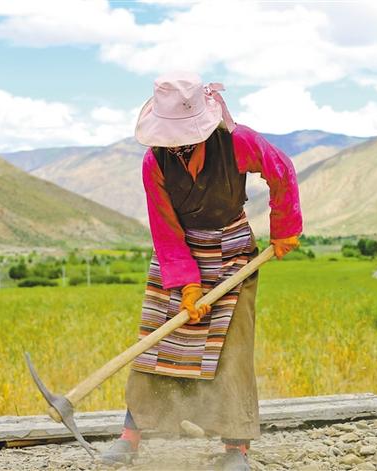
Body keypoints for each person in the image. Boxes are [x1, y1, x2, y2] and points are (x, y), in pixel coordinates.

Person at [101, 72, 302, 470]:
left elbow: (282, 171)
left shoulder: (238, 142)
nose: (176, 145)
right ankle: (131, 436)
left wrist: (284, 228)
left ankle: (236, 448)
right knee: (158, 341)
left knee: (232, 347)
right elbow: (164, 227)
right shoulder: (154, 161)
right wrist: (187, 285)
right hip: (179, 252)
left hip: (232, 251)